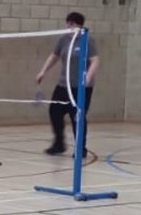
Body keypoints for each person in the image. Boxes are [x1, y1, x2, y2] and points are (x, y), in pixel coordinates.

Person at [36, 12, 99, 157]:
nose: (69, 26)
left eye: (72, 23)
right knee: (54, 113)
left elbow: (95, 60)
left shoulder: (87, 39)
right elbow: (54, 56)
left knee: (77, 117)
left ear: (79, 25)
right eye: (68, 23)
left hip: (81, 88)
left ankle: (80, 149)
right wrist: (43, 72)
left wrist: (88, 77)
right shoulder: (63, 39)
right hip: (63, 85)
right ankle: (59, 144)